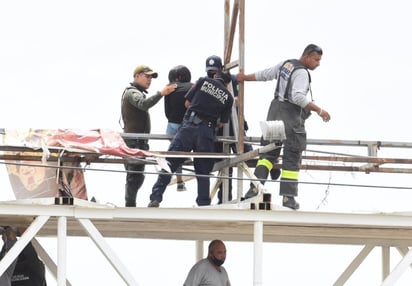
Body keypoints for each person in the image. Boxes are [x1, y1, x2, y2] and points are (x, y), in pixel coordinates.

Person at [237, 44, 331, 210]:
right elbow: (298, 97)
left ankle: (254, 189)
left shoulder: (287, 64)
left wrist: (244, 78)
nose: (318, 64)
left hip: (274, 112)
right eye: (316, 60)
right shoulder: (301, 72)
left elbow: (266, 74)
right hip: (290, 119)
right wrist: (319, 110)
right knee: (292, 157)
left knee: (267, 154)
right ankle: (289, 198)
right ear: (307, 56)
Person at [148, 70, 234, 207]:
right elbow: (222, 123)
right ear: (227, 83)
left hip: (189, 127)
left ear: (214, 76)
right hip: (206, 132)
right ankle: (203, 205)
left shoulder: (202, 81)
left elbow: (187, 104)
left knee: (170, 163)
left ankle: (156, 198)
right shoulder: (229, 98)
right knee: (203, 171)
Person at [121, 65, 176, 207]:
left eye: (151, 77)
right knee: (134, 176)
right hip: (133, 142)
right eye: (147, 76)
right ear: (137, 76)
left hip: (139, 142)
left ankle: (130, 204)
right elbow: (143, 104)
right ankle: (130, 205)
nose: (149, 80)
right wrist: (161, 93)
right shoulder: (132, 93)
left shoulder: (136, 92)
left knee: (138, 176)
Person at [205, 55, 253, 204]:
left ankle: (256, 186)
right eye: (210, 72)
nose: (213, 75)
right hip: (218, 126)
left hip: (234, 124)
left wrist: (227, 98)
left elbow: (239, 100)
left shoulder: (232, 80)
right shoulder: (205, 82)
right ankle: (223, 199)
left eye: (215, 72)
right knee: (223, 164)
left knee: (247, 154)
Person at [164, 65, 193, 192]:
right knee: (182, 149)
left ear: (177, 77)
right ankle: (186, 155)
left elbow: (167, 112)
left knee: (175, 151)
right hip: (188, 126)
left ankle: (179, 182)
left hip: (172, 126)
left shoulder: (169, 88)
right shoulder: (193, 87)